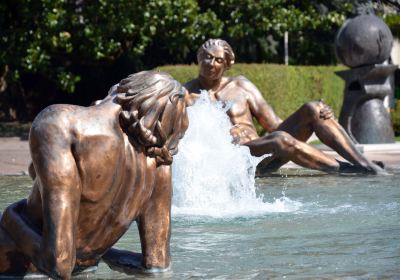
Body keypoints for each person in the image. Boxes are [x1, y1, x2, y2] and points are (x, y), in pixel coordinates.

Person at [185, 38, 385, 175]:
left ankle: (362, 163)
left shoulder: (241, 85)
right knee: (280, 139)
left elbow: (274, 124)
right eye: (207, 57)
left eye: (219, 59)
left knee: (313, 108)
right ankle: (347, 169)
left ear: (227, 64)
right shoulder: (186, 95)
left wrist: (317, 117)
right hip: (236, 161)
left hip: (263, 150)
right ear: (198, 58)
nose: (211, 63)